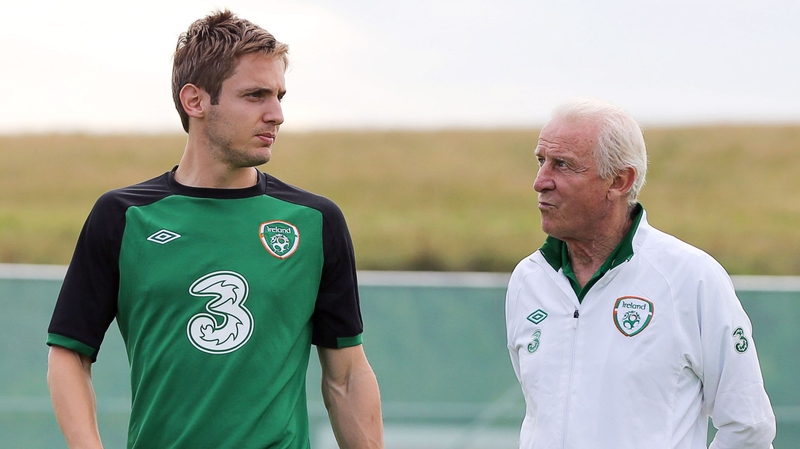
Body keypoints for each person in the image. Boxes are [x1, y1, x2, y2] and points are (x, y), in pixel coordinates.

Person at [46, 10, 383, 449]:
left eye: (280, 95)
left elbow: (347, 375)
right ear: (195, 101)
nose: (277, 114)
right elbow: (69, 352)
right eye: (256, 95)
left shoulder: (315, 221)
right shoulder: (123, 216)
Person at [505, 97, 775, 448]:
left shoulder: (692, 278)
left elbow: (748, 427)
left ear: (619, 180)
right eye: (541, 162)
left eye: (563, 165)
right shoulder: (528, 279)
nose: (540, 182)